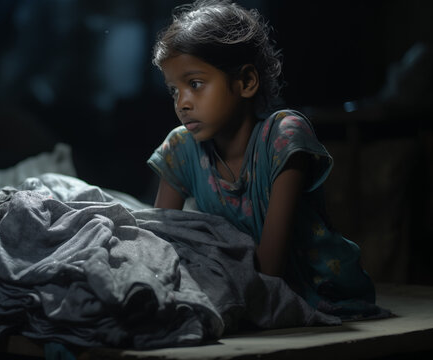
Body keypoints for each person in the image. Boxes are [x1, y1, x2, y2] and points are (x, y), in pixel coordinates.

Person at [147, 0, 381, 319]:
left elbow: (271, 269)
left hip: (315, 289)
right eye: (174, 90)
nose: (182, 103)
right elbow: (159, 246)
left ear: (245, 82)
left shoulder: (283, 137)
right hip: (240, 281)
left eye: (195, 84)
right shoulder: (180, 148)